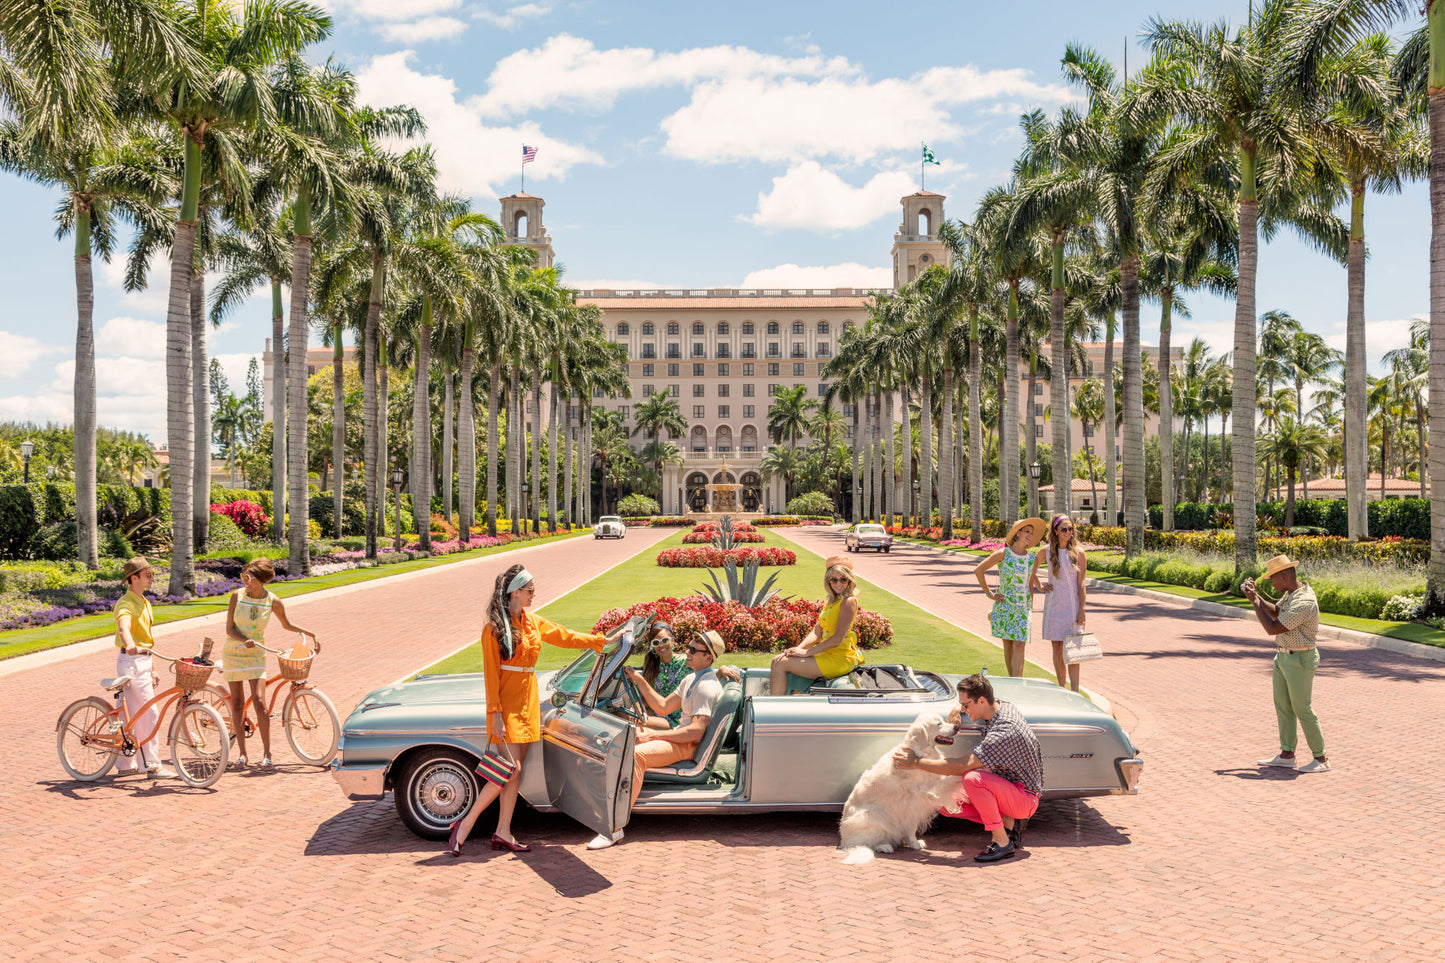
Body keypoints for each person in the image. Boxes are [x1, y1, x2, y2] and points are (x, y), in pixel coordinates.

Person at [448, 564, 628, 856]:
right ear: (515, 591)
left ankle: (503, 832)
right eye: (530, 590)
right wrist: (494, 715)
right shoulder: (493, 629)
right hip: (505, 704)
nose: (534, 594)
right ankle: (465, 824)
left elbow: (564, 636)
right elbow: (491, 675)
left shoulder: (532, 622)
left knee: (513, 774)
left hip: (528, 699)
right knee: (509, 769)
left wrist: (599, 642)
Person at [593, 629, 727, 849]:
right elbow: (662, 707)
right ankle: (605, 803)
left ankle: (614, 828)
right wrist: (637, 678)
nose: (688, 653)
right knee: (624, 739)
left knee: (636, 755)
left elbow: (695, 733)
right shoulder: (691, 678)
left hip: (687, 746)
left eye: (694, 650)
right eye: (689, 647)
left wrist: (652, 735)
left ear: (708, 657)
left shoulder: (706, 686)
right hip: (678, 739)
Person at [893, 672, 1042, 864]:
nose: (964, 708)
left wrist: (914, 763)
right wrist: (957, 708)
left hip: (1024, 798)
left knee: (972, 778)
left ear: (981, 701)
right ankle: (1009, 823)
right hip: (1009, 787)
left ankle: (1002, 842)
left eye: (966, 704)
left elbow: (959, 766)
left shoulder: (1004, 731)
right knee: (941, 800)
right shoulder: (1002, 707)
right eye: (962, 704)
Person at [223, 557, 317, 769]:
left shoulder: (273, 601)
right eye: (243, 576)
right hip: (234, 652)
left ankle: (267, 754)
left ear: (262, 580)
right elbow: (229, 629)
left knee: (259, 702)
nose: (245, 581)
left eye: (250, 578)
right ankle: (242, 754)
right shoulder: (236, 596)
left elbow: (287, 624)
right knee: (237, 704)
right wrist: (242, 640)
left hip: (256, 654)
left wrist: (311, 633)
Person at [1243, 554, 1329, 774]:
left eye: (1273, 578)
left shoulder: (1304, 601)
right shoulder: (1293, 593)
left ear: (1283, 576)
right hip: (1284, 657)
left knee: (1303, 709)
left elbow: (1273, 627)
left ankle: (1321, 759)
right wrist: (1255, 597)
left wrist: (1255, 602)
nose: (1271, 583)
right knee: (1283, 707)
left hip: (1300, 659)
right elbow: (1277, 611)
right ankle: (1287, 755)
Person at [110, 556, 175, 780]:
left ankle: (124, 764)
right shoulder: (126, 603)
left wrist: (153, 667)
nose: (151, 579)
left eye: (151, 575)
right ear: (133, 578)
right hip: (131, 662)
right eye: (147, 575)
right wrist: (128, 644)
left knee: (128, 714)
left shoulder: (145, 602)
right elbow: (124, 627)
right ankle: (151, 765)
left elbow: (147, 639)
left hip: (141, 660)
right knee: (149, 712)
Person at [768, 555, 864, 694]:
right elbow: (816, 632)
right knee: (779, 660)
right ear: (828, 581)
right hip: (825, 654)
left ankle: (773, 711)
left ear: (849, 580)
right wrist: (796, 650)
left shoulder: (848, 601)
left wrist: (807, 653)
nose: (839, 584)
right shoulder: (831, 600)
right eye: (834, 580)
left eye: (843, 579)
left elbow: (838, 638)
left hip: (839, 659)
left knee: (780, 664)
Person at [974, 518, 1044, 677]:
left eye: (1031, 533)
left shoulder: (1032, 560)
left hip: (1022, 608)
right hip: (1005, 606)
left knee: (1020, 644)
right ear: (1017, 533)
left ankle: (1017, 682)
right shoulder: (1003, 554)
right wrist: (989, 593)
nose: (1030, 536)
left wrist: (1030, 609)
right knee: (1008, 645)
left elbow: (1030, 583)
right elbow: (979, 570)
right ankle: (1012, 680)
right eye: (1027, 532)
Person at [1029, 513, 1088, 691]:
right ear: (1055, 531)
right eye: (1063, 529)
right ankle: (1062, 687)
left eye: (1070, 528)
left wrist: (1082, 610)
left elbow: (1082, 583)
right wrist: (1039, 586)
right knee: (1057, 648)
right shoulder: (1045, 552)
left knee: (1073, 651)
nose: (1068, 532)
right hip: (1054, 606)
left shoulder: (1079, 552)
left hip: (1072, 606)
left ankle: (1075, 690)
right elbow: (1030, 571)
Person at [637, 621, 691, 727]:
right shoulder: (651, 666)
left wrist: (721, 671)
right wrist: (639, 707)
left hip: (678, 720)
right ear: (653, 647)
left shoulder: (686, 662)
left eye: (665, 640)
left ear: (673, 640)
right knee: (624, 715)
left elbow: (703, 675)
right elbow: (645, 697)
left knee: (629, 720)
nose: (661, 645)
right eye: (656, 643)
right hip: (656, 714)